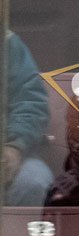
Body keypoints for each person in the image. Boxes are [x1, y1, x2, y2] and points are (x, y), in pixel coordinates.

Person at [2, 30, 53, 206]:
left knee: (33, 182)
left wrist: (15, 147)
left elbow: (30, 102)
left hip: (7, 149)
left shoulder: (7, 42)